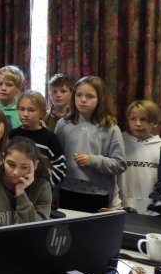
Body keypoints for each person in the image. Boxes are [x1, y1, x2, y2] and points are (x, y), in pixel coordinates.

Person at [54, 76, 127, 212]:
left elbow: (120, 164)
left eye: (90, 96)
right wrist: (55, 191)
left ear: (100, 99)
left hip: (98, 194)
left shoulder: (110, 128)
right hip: (66, 191)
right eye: (79, 95)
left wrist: (93, 160)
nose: (83, 100)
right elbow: (56, 161)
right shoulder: (63, 124)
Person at [0, 136, 52, 226]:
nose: (15, 172)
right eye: (11, 164)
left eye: (24, 167)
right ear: (3, 159)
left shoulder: (42, 187)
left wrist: (21, 194)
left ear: (35, 165)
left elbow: (37, 230)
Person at [9, 90, 66, 186]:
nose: (25, 114)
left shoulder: (49, 137)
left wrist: (43, 185)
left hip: (39, 193)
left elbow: (61, 168)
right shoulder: (13, 135)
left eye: (31, 110)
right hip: (13, 189)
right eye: (22, 109)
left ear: (42, 113)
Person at [119, 100, 161, 214]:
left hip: (152, 210)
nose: (137, 124)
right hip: (121, 206)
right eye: (133, 119)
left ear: (154, 123)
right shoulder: (119, 143)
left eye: (143, 119)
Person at [0, 65, 25, 129]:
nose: (3, 88)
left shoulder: (23, 110)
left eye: (9, 85)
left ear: (18, 88)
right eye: (0, 84)